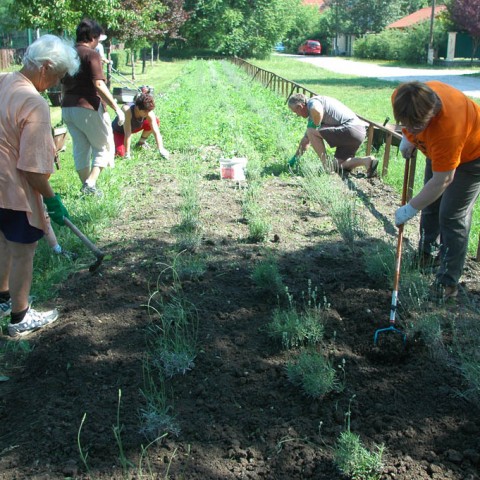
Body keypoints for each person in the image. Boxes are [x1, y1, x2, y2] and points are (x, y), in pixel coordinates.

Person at [0, 34, 80, 337]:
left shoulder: (5, 81)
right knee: (23, 250)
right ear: (45, 67)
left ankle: (2, 300)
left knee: (3, 241)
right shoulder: (34, 103)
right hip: (13, 188)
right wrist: (52, 200)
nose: (58, 82)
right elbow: (33, 169)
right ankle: (20, 317)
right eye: (58, 75)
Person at [392, 81, 480, 301]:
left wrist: (410, 208)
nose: (409, 129)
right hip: (439, 149)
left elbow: (443, 179)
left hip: (473, 156)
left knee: (451, 215)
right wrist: (408, 137)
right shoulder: (404, 96)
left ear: (430, 118)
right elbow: (410, 124)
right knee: (430, 204)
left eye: (415, 127)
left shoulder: (447, 128)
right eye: (405, 124)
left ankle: (448, 282)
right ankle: (427, 255)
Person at [61, 18, 125, 196]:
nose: (98, 42)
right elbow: (98, 84)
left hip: (67, 107)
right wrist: (116, 107)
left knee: (81, 148)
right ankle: (90, 183)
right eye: (97, 38)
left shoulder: (68, 54)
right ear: (92, 37)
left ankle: (87, 188)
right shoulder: (92, 54)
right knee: (103, 145)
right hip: (87, 106)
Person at [287, 93, 378, 177]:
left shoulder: (313, 102)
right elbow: (306, 140)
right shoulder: (312, 114)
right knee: (338, 165)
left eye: (295, 112)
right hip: (359, 131)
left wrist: (316, 125)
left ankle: (326, 166)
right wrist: (295, 158)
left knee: (311, 131)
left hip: (351, 129)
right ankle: (367, 161)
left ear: (300, 106)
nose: (297, 115)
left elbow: (317, 111)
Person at [112, 93, 170, 159]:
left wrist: (161, 149)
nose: (147, 113)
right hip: (119, 131)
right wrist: (127, 154)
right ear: (137, 107)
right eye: (145, 111)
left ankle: (141, 143)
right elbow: (127, 133)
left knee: (156, 121)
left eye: (149, 111)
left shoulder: (148, 112)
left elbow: (156, 132)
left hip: (134, 128)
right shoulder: (127, 110)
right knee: (120, 154)